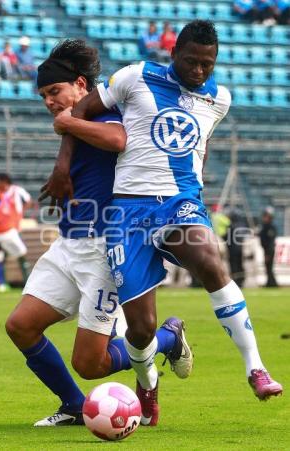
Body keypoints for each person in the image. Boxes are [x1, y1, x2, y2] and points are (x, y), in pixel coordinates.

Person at [41, 21, 283, 425]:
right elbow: (78, 113)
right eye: (192, 62)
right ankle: (148, 383)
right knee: (140, 328)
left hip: (179, 202)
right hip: (128, 210)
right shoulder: (135, 77)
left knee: (209, 259)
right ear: (174, 55)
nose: (199, 71)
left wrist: (197, 186)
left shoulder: (219, 99)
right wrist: (62, 167)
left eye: (208, 64)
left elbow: (199, 144)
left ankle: (256, 368)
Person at [5, 39, 192, 427]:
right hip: (68, 244)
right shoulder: (78, 122)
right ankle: (74, 405)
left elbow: (119, 139)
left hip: (104, 251)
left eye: (54, 91)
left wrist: (69, 123)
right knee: (20, 325)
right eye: (43, 95)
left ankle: (170, 337)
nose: (49, 102)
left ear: (80, 84)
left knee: (90, 364)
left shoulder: (108, 113)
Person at [0, 180, 29, 283]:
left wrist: (16, 225)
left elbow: (17, 210)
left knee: (22, 252)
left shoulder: (7, 199)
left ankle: (27, 281)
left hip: (9, 233)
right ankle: (1, 283)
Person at [259, 206, 278, 287]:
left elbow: (270, 242)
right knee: (267, 267)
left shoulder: (270, 227)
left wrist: (268, 253)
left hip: (269, 250)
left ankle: (272, 283)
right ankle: (270, 282)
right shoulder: (264, 226)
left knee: (269, 267)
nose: (264, 218)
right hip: (266, 249)